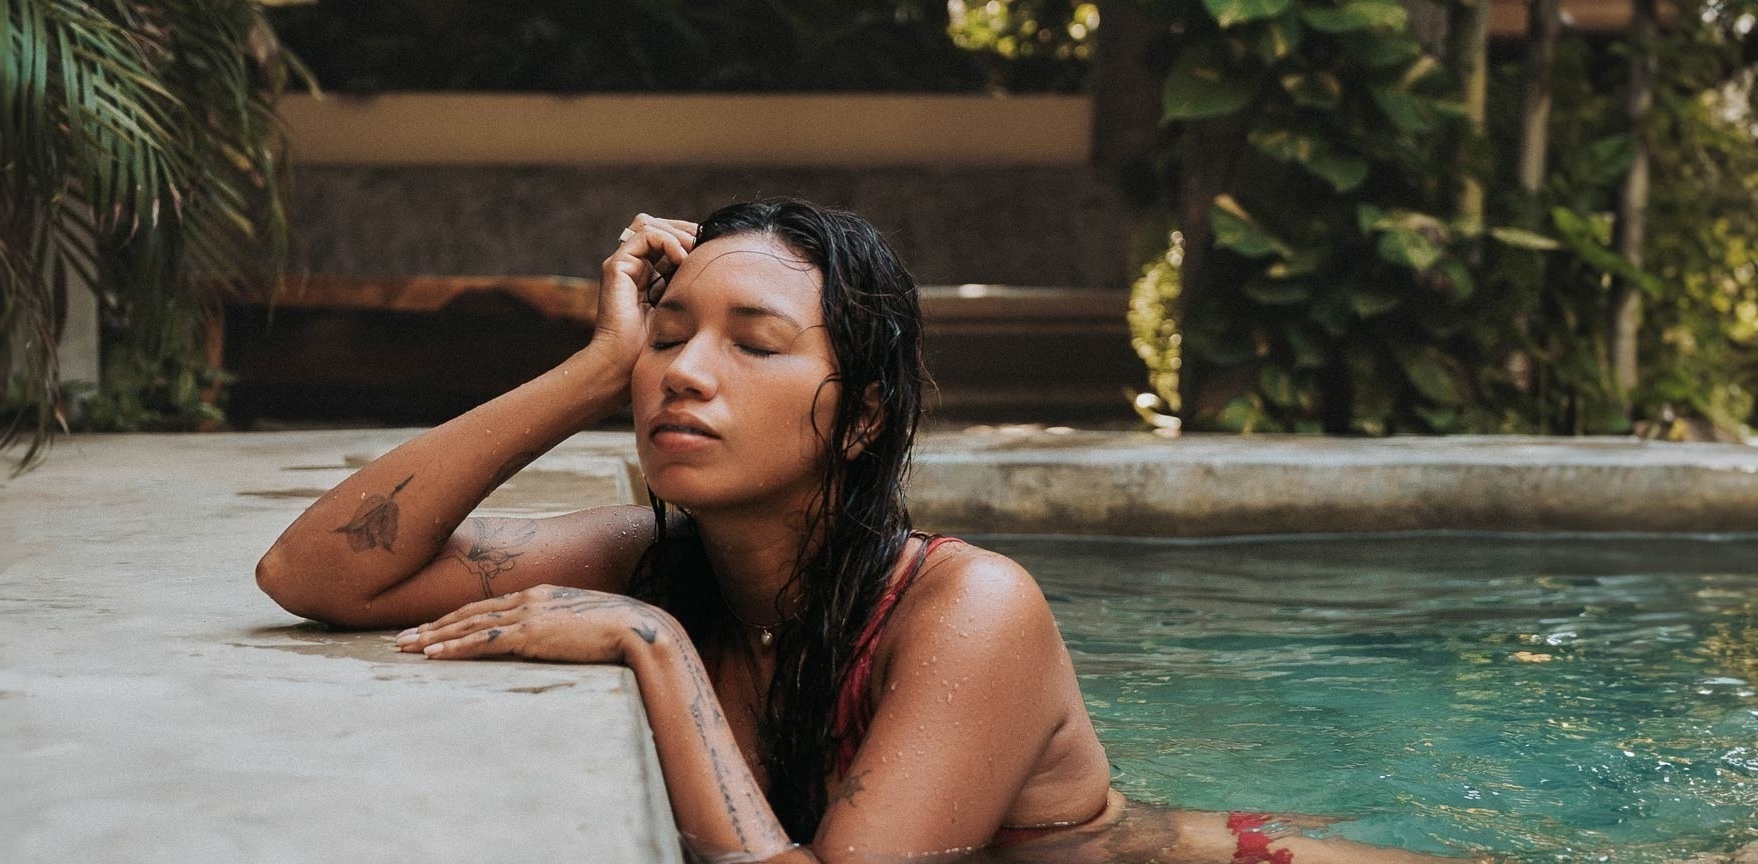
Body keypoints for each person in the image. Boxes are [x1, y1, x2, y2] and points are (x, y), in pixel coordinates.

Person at [256, 199, 1476, 864]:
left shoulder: (969, 608)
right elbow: (313, 573)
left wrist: (655, 650)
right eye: (671, 333)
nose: (687, 371)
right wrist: (594, 370)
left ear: (862, 419)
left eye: (756, 342)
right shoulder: (650, 556)